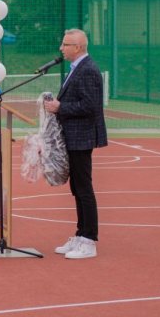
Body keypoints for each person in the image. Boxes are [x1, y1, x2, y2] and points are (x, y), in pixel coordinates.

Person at [44, 28, 107, 259]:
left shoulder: (88, 70)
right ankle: (80, 235)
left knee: (84, 188)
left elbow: (90, 106)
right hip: (72, 136)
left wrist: (61, 107)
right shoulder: (75, 69)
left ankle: (89, 240)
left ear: (78, 47)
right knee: (77, 189)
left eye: (65, 44)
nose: (61, 48)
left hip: (82, 137)